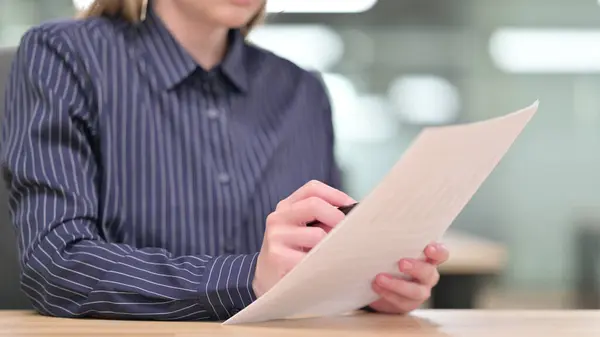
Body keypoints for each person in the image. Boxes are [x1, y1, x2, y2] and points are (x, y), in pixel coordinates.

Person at [0, 0, 449, 321]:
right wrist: (248, 277)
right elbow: (56, 264)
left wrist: (373, 288)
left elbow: (319, 258)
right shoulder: (64, 56)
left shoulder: (302, 92)